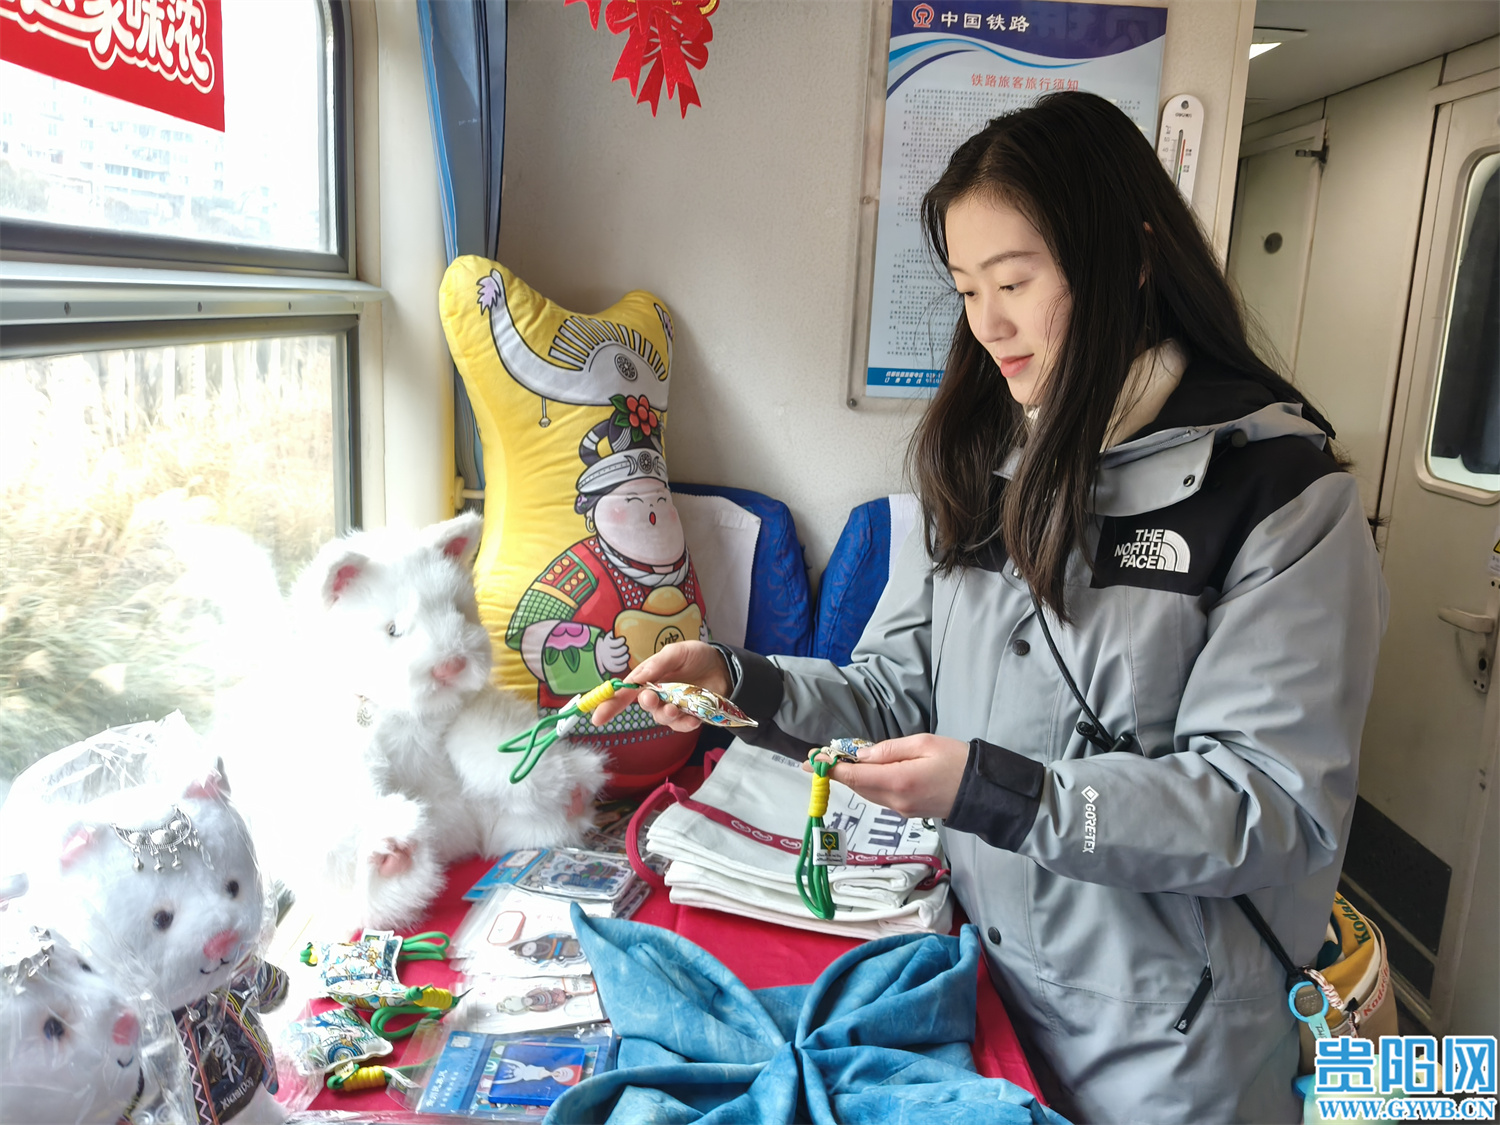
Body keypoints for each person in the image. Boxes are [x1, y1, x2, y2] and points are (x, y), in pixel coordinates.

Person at [591, 92, 1386, 1124]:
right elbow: (896, 690)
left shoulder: (1279, 498)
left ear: (1131, 259)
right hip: (982, 998)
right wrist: (741, 681)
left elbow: (1266, 805)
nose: (988, 324)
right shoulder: (989, 465)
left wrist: (1006, 794)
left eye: (1014, 282)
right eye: (969, 289)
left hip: (1167, 1049)